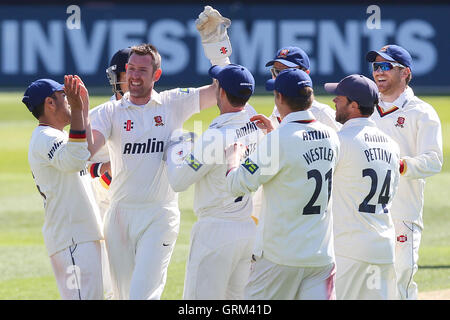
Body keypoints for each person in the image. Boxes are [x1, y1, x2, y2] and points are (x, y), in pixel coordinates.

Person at [88, 42, 220, 300]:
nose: (134, 76)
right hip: (119, 216)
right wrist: (80, 113)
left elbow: (221, 91)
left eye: (142, 70)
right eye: (131, 70)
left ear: (156, 75)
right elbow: (87, 151)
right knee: (122, 296)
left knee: (142, 296)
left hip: (159, 214)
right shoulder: (108, 112)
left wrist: (218, 49)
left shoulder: (173, 102)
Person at [225, 68, 340, 300]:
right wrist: (274, 134)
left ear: (279, 98)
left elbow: (237, 185)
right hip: (321, 257)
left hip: (280, 257)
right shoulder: (331, 135)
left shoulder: (278, 140)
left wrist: (233, 159)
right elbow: (297, 156)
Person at [165, 64, 263, 299]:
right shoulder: (255, 123)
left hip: (215, 232)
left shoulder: (214, 138)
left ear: (222, 93)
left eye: (217, 85)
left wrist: (177, 146)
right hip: (247, 230)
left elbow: (178, 181)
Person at [366, 45, 443, 299]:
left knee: (401, 279)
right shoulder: (365, 108)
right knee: (367, 282)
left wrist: (401, 165)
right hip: (365, 213)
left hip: (403, 212)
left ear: (405, 72)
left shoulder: (422, 112)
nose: (379, 72)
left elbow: (434, 160)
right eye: (376, 66)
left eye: (386, 66)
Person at [23, 76, 104, 300]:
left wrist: (83, 109)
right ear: (50, 103)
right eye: (65, 96)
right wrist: (78, 110)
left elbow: (80, 161)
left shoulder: (55, 136)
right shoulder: (45, 137)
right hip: (71, 240)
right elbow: (75, 160)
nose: (70, 99)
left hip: (79, 237)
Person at [324, 74, 400, 299]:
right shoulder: (392, 145)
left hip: (349, 249)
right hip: (383, 248)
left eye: (339, 97)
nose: (334, 102)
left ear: (354, 105)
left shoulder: (340, 141)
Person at [87, 47, 131, 300]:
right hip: (105, 214)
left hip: (145, 208)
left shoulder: (160, 113)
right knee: (115, 288)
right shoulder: (99, 117)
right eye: (128, 72)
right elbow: (73, 165)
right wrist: (101, 170)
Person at [265, 46, 341, 132]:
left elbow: (342, 144)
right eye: (276, 71)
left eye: (287, 71)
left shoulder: (322, 113)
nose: (280, 77)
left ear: (306, 74)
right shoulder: (275, 113)